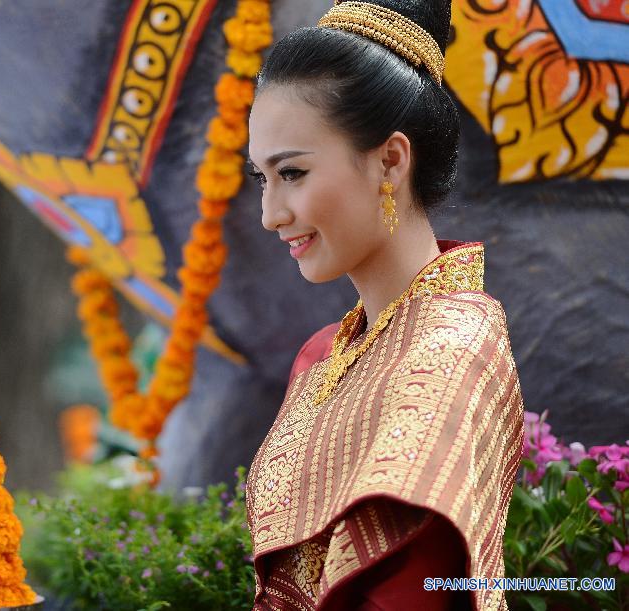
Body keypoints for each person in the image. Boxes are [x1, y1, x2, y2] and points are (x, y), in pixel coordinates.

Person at [244, 1, 524, 609]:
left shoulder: (452, 348)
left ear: (390, 161)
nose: (270, 214)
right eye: (259, 179)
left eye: (291, 173)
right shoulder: (322, 356)